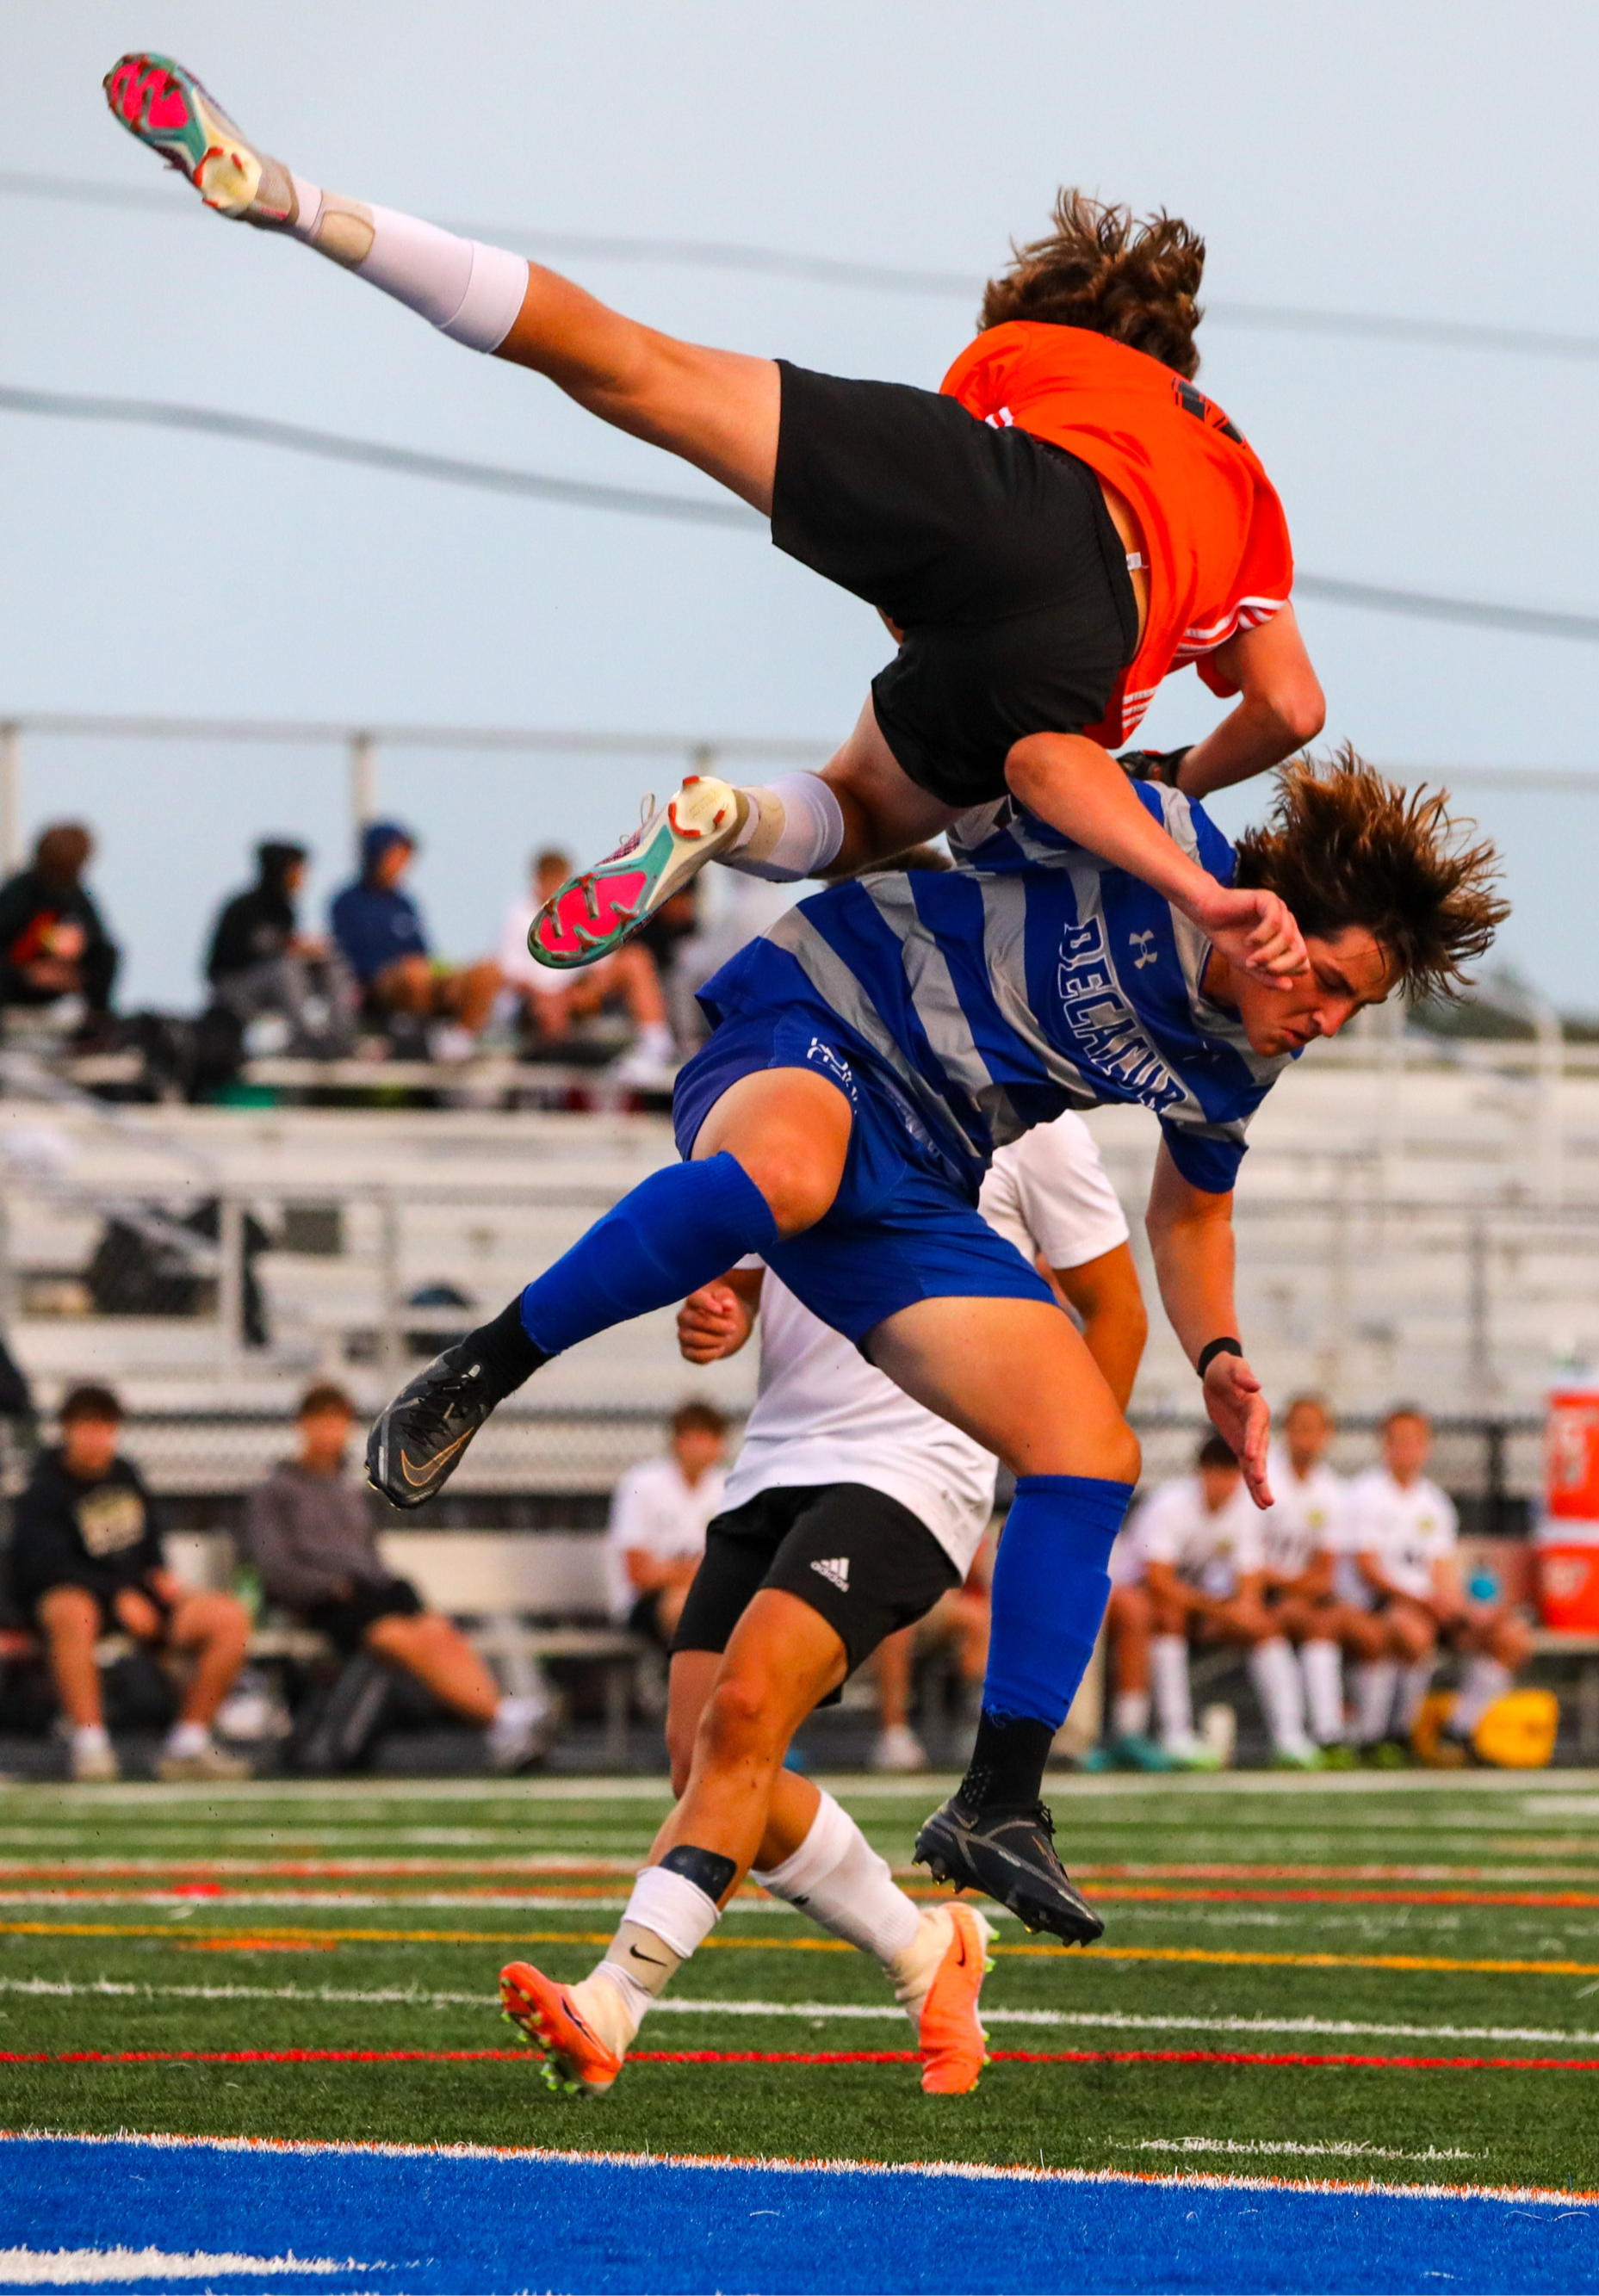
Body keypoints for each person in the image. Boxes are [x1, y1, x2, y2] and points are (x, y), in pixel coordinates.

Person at [108, 57, 1322, 1004]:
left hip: (1008, 492)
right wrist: (1176, 774)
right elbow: (1289, 709)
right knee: (862, 812)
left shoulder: (1033, 352)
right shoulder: (1243, 471)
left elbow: (954, 529)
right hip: (1085, 649)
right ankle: (724, 818)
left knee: (635, 366)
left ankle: (297, 202)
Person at [502, 1109, 1143, 2095]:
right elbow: (746, 1281)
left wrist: (1059, 1489)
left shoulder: (1040, 1131)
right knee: (706, 1762)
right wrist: (721, 1314)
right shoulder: (819, 1091)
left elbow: (1116, 1310)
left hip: (912, 1470)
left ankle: (612, 2001)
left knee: (748, 1715)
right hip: (773, 1465)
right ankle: (928, 1955)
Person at [243, 1382, 551, 1770]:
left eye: (337, 1423)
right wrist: (327, 1586)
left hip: (368, 1592)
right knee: (398, 1638)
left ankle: (503, 1721)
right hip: (325, 1600)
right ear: (302, 1426)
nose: (329, 1433)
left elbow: (368, 1555)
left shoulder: (348, 1490)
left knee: (437, 1631)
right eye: (321, 1422)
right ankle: (502, 1720)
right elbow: (274, 1567)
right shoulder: (274, 1492)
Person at [9, 1383, 250, 1781]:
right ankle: (90, 1745)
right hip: (85, 1604)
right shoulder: (44, 1487)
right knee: (72, 1610)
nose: (96, 1438)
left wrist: (161, 1586)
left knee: (228, 1618)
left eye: (104, 1426)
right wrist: (115, 1596)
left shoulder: (126, 1475)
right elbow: (42, 1567)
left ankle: (188, 1743)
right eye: (86, 1426)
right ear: (67, 1430)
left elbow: (148, 1551)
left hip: (137, 1601)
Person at [1342, 1406, 1532, 1767]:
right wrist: (1424, 1601)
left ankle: (1459, 1730)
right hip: (1382, 1604)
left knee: (1512, 1637)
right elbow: (1368, 1569)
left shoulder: (1434, 1502)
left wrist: (1461, 1609)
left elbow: (1441, 1569)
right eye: (1399, 1441)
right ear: (1385, 1445)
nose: (1408, 1449)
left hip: (1428, 1605)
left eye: (1416, 1441)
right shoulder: (1365, 1494)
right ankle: (1393, 1733)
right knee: (1413, 1634)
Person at [1131, 1433, 1317, 1767]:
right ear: (1202, 1472)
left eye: (1233, 1474)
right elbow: (1157, 1582)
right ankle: (1175, 1733)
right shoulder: (1169, 1504)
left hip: (1200, 1606)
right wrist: (1220, 1609)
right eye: (1220, 1473)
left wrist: (1241, 1612)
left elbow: (1249, 1582)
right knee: (1169, 1615)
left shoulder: (1243, 1511)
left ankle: (1290, 1736)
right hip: (1142, 1600)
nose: (1227, 1484)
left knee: (1262, 1626)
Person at [1257, 1394, 1371, 1763]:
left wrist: (1291, 1588)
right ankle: (1288, 1732)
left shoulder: (1333, 1491)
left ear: (1328, 1435)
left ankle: (1329, 1732)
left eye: (1314, 1429)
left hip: (1295, 1598)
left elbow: (1325, 1577)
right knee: (1268, 1623)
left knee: (1329, 1623)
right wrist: (1290, 1587)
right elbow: (1248, 1567)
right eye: (1299, 1427)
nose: (1306, 1438)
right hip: (1250, 1595)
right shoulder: (1261, 1474)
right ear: (1285, 1432)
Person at [499, 849, 675, 1080]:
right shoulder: (518, 916)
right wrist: (550, 996)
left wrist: (587, 989)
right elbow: (511, 973)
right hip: (537, 1000)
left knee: (635, 959)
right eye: (549, 880)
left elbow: (602, 966)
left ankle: (655, 1042)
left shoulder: (582, 911)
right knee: (549, 1009)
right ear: (538, 881)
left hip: (576, 993)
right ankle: (556, 1080)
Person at [329, 821, 499, 1057]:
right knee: (414, 975)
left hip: (422, 976)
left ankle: (457, 1044)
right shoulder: (347, 901)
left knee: (488, 972)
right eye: (395, 857)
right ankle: (420, 1042)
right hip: (379, 987)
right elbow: (349, 958)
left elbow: (423, 951)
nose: (401, 866)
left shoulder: (405, 902)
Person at [205, 839, 351, 1053]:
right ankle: (307, 1039)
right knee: (286, 968)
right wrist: (287, 948)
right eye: (297, 870)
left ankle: (342, 1038)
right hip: (234, 988)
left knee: (333, 965)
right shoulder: (243, 907)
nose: (302, 878)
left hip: (272, 985)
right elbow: (223, 963)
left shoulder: (286, 910)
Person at [606, 1402, 729, 1648]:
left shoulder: (728, 1486)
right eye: (698, 1436)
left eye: (713, 1437)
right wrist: (696, 1572)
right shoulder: (642, 1483)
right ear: (678, 1441)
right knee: (688, 1607)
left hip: (706, 1595)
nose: (706, 1447)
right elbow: (639, 1573)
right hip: (645, 1604)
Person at [0, 823, 119, 1026]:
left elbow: (97, 939)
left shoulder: (76, 894)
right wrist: (29, 973)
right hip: (19, 979)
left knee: (108, 955)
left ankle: (96, 1025)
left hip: (61, 978)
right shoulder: (19, 892)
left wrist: (81, 945)